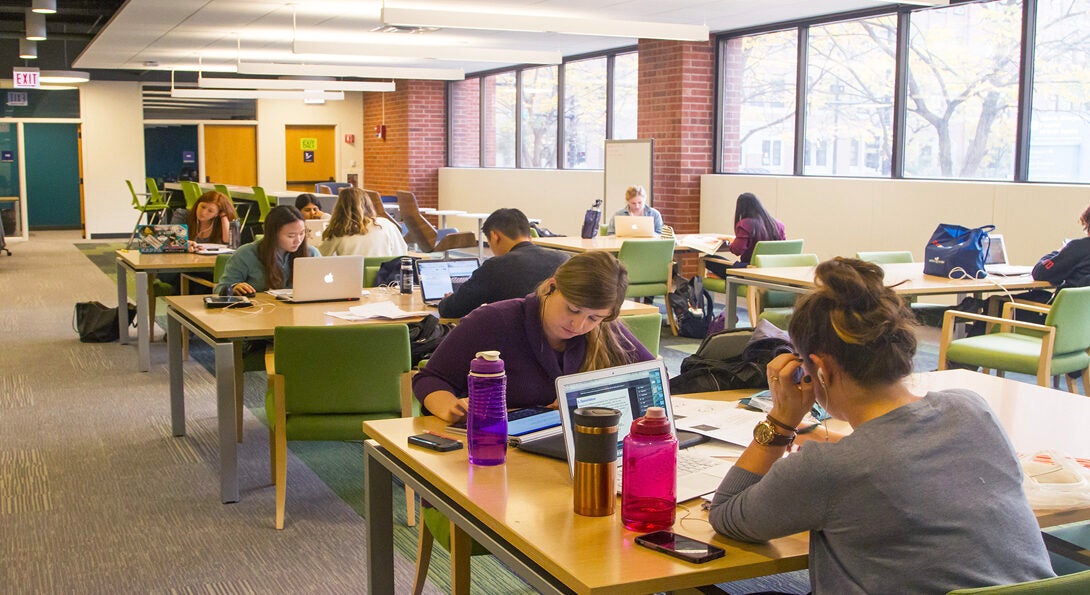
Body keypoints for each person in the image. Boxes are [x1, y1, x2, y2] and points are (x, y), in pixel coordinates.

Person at [707, 257, 1054, 593]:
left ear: (821, 370)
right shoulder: (971, 409)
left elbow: (725, 514)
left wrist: (781, 420)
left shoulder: (829, 468)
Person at [414, 251, 655, 422]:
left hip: (570, 447)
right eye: (573, 309)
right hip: (495, 448)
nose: (578, 324)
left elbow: (654, 378)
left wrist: (590, 397)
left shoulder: (605, 330)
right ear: (551, 287)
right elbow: (430, 379)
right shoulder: (493, 321)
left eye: (593, 318)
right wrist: (449, 407)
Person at [437, 208, 569, 319]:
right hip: (556, 342)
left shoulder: (496, 266)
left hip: (509, 341)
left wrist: (446, 301)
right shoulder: (564, 260)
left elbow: (453, 310)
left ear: (495, 236)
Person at [215, 205, 320, 296]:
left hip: (301, 312)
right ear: (273, 234)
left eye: (302, 233)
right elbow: (219, 289)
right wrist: (233, 288)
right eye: (291, 235)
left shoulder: (311, 253)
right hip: (257, 314)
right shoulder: (246, 254)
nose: (298, 240)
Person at [704, 192, 786, 278]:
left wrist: (732, 241)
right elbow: (783, 249)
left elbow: (737, 250)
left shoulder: (745, 224)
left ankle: (718, 277)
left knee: (708, 259)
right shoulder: (778, 225)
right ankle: (716, 276)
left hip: (749, 272)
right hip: (772, 271)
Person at [317, 187, 407, 258]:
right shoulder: (386, 225)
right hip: (385, 279)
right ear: (368, 204)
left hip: (352, 278)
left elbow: (320, 257)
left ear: (339, 207)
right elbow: (401, 253)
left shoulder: (337, 231)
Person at [171, 190, 238, 249]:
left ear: (217, 214)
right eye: (202, 207)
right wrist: (186, 244)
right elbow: (173, 240)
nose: (203, 212)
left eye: (210, 211)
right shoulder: (182, 215)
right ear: (197, 204)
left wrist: (224, 217)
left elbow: (228, 242)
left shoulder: (221, 222)